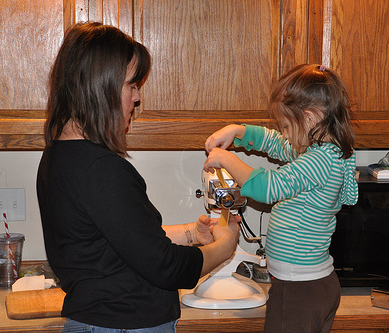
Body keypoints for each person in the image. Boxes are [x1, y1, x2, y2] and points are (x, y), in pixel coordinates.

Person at [36, 22, 240, 333]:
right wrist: (224, 247)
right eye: (131, 85)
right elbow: (166, 267)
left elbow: (120, 241)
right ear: (100, 86)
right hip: (122, 326)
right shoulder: (100, 169)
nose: (137, 97)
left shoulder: (60, 155)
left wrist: (191, 233)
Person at [203, 64, 359, 332]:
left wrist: (228, 159)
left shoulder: (319, 160)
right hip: (310, 286)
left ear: (310, 119)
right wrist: (238, 131)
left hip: (300, 290)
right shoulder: (322, 152)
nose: (284, 133)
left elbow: (269, 187)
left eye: (287, 125)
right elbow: (275, 142)